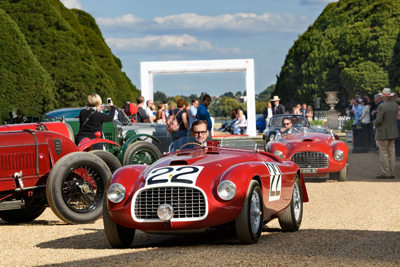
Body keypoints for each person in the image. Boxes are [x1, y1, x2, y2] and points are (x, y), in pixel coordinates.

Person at [373, 88, 399, 179]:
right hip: (393, 130)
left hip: (383, 131)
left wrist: (374, 122)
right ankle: (391, 173)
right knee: (391, 153)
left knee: (383, 153)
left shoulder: (382, 106)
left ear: (383, 96)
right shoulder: (395, 105)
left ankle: (385, 173)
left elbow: (379, 120)